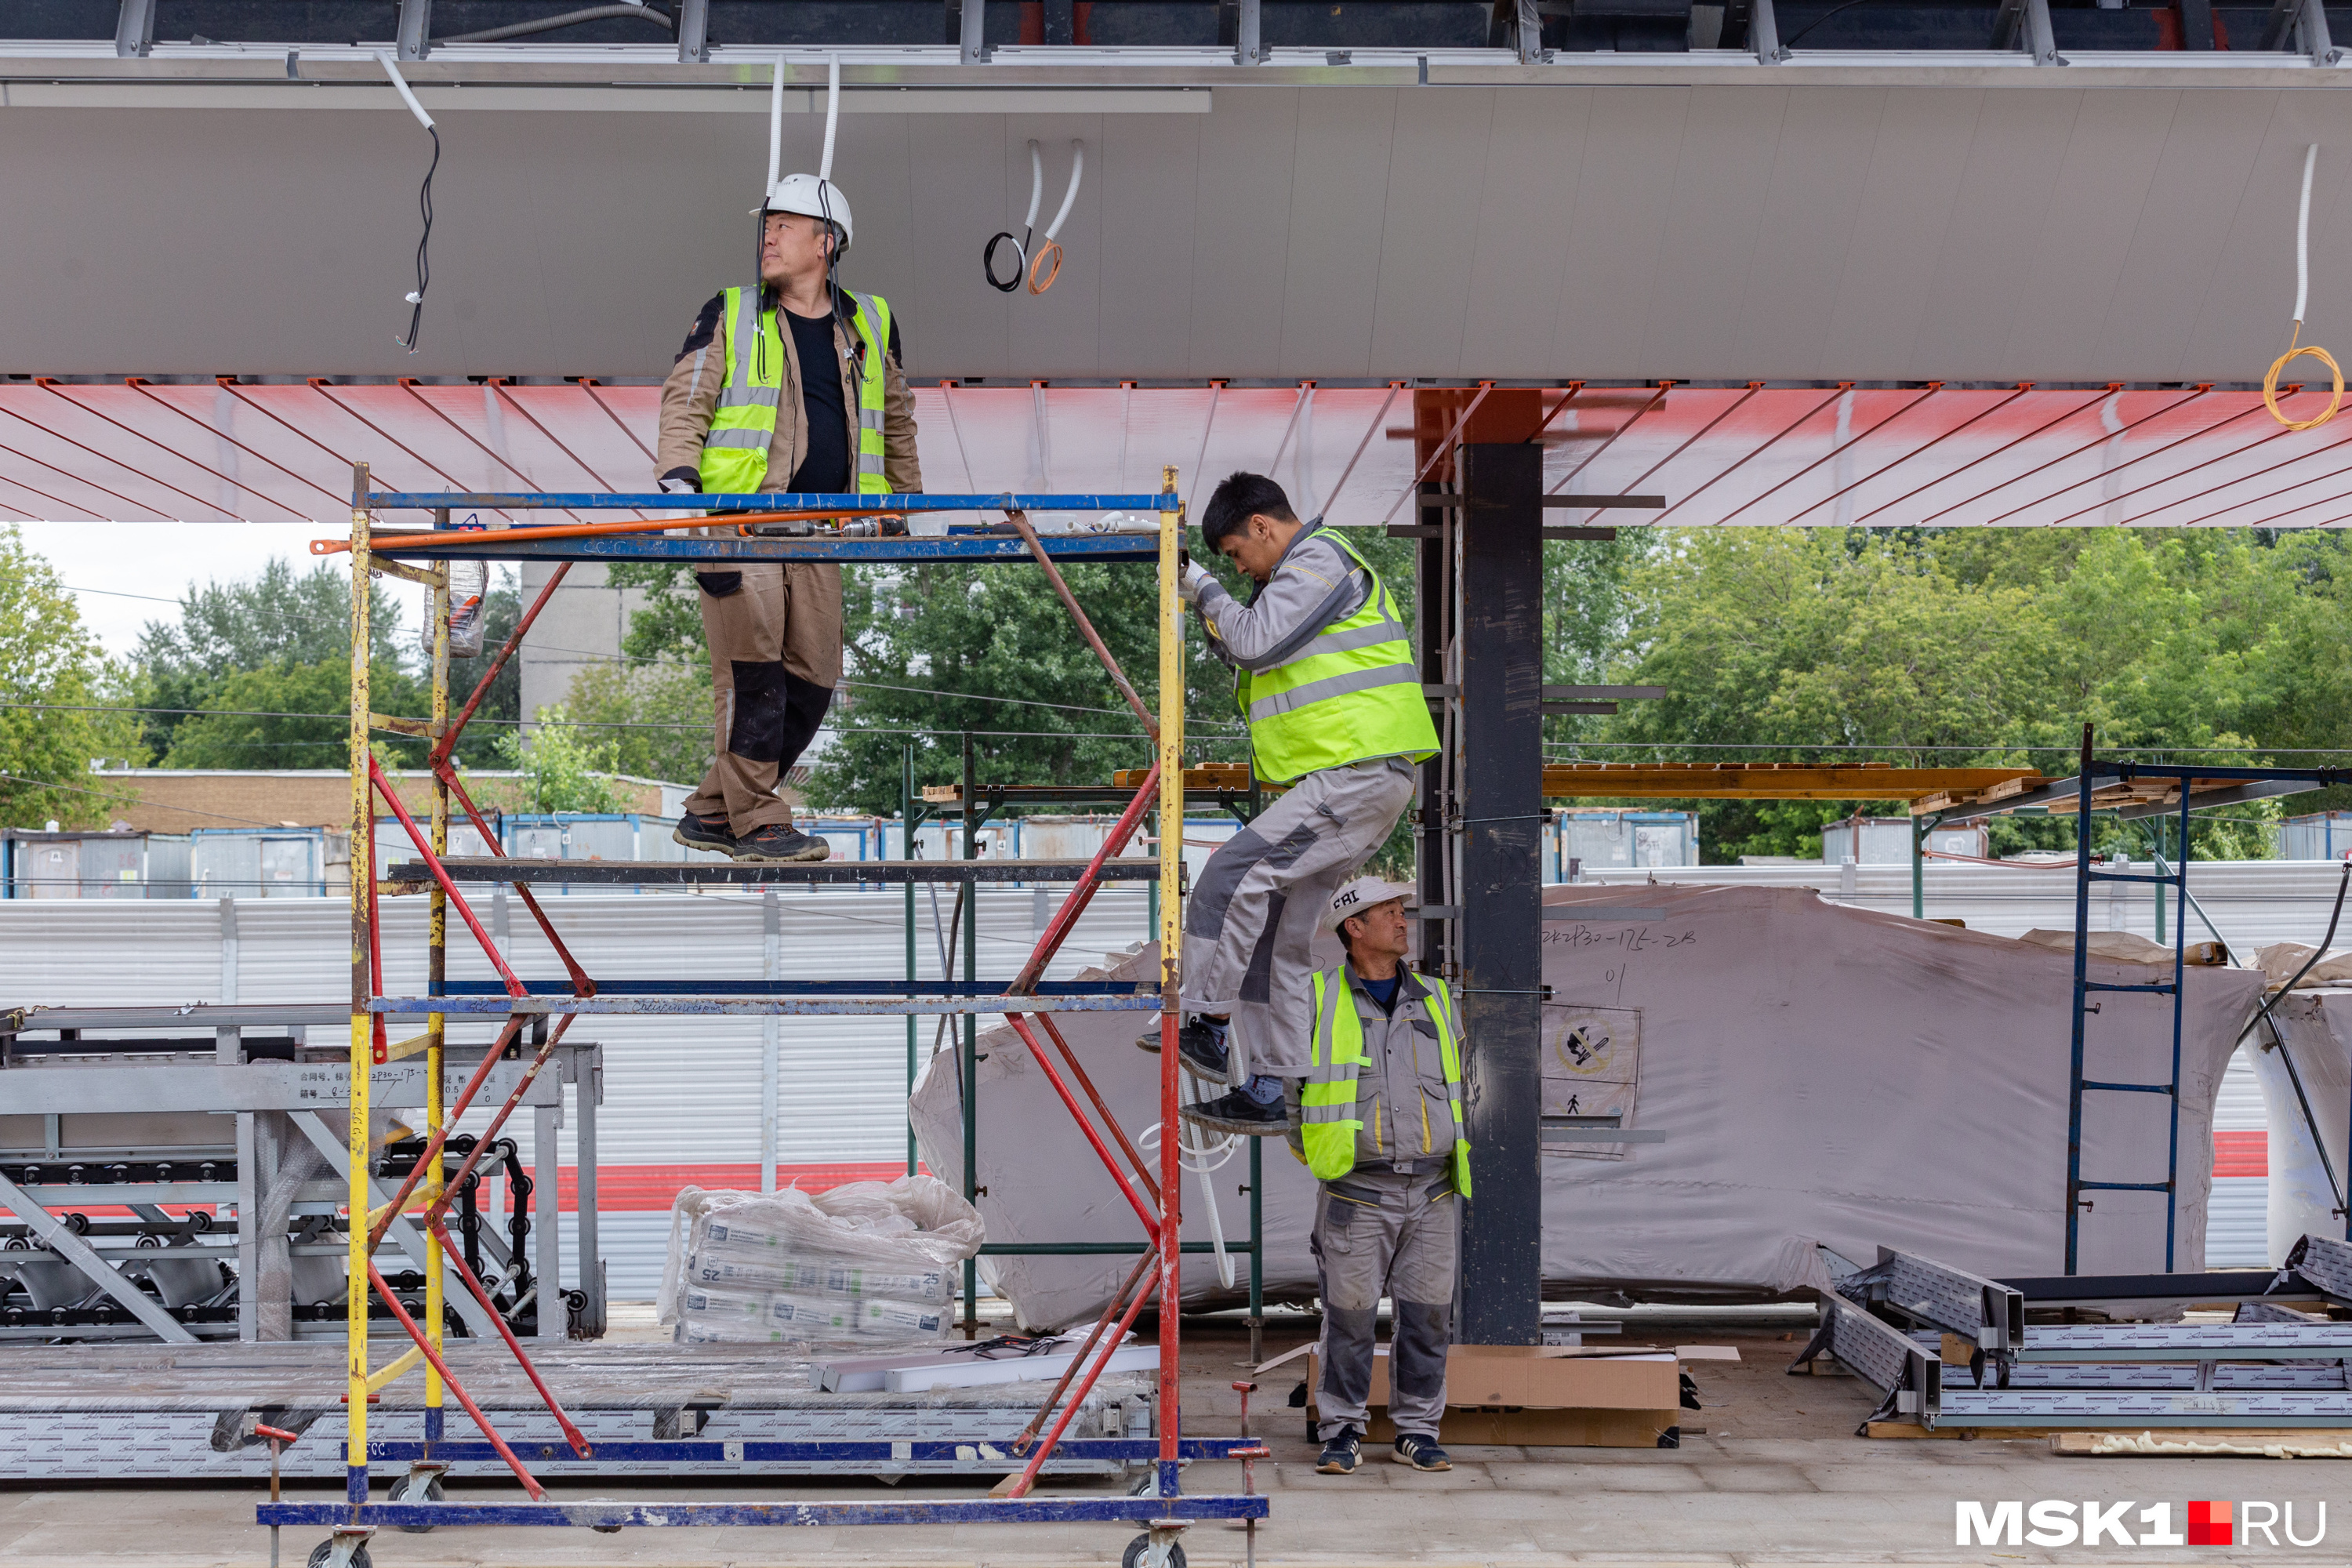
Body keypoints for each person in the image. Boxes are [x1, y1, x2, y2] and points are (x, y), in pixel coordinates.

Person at [1157, 471, 1439, 1134]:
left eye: (1234, 551)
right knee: (1277, 936)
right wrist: (1215, 607)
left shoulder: (1320, 558)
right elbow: (1246, 650)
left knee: (1229, 878)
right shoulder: (1290, 586)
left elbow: (1253, 643)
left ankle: (1205, 1019)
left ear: (1261, 526)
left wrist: (1200, 584)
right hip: (1356, 780)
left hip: (1356, 775)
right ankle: (1271, 1086)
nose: (1236, 565)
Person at [655, 169, 921, 862]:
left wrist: (903, 503)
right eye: (766, 225)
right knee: (754, 675)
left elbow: (897, 422)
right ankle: (760, 818)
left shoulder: (873, 320)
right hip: (736, 525)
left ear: (826, 243)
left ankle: (713, 811)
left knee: (814, 675)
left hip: (822, 532)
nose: (766, 237)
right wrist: (679, 482)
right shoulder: (732, 310)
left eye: (784, 226)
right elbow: (687, 401)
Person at [1300, 876, 1466, 1475]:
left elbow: (1459, 1083)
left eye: (1403, 912)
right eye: (1390, 913)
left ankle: (1417, 1430)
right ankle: (1341, 1430)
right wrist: (1325, 1156)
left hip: (1432, 1189)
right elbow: (1294, 1101)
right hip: (1357, 1192)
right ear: (1355, 927)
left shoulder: (1436, 998)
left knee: (1426, 1317)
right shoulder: (1319, 998)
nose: (1403, 921)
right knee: (1348, 1318)